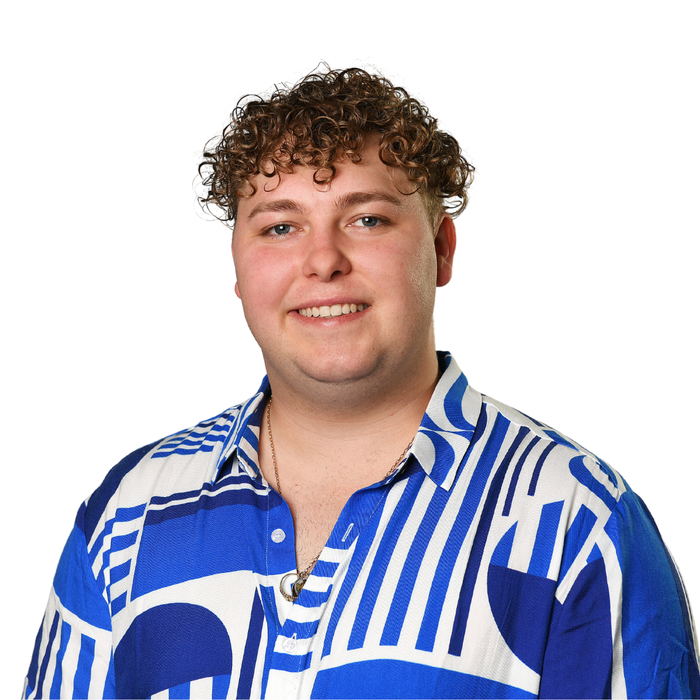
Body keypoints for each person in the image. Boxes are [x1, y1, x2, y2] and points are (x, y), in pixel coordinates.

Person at [24, 67, 699, 700]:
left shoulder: (576, 522)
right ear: (238, 269)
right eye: (281, 226)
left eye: (367, 219)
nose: (322, 261)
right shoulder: (128, 515)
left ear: (441, 249)